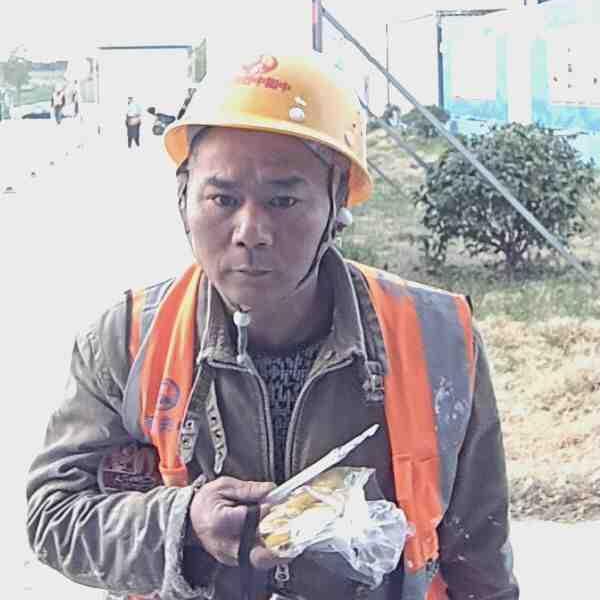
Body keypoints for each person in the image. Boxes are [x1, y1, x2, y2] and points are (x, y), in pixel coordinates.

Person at [26, 52, 519, 600]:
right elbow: (55, 515)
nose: (250, 231)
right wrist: (183, 525)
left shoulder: (437, 338)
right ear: (183, 198)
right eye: (222, 198)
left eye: (283, 200)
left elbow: (480, 558)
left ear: (336, 205)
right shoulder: (125, 341)